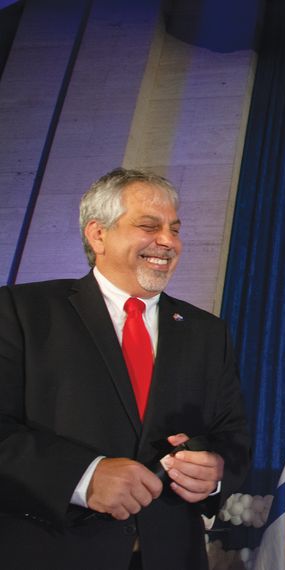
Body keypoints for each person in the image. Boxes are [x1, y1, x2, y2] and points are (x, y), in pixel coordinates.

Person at [0, 168, 251, 570]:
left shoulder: (208, 332)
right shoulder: (20, 311)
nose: (168, 241)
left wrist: (216, 471)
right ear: (98, 234)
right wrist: (83, 478)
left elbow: (233, 436)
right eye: (149, 226)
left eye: (174, 228)